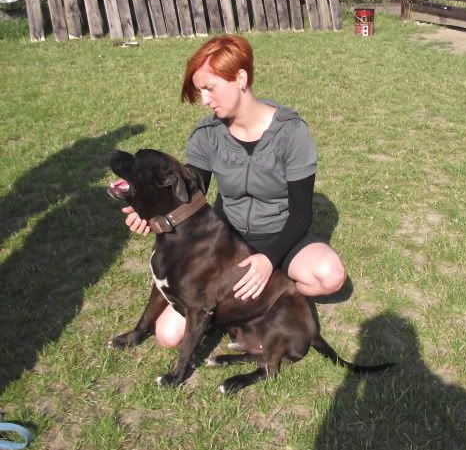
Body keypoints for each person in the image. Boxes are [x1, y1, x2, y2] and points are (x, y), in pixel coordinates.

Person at [122, 34, 346, 348]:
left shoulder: (291, 133)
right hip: (227, 242)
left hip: (280, 235)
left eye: (210, 88)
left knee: (329, 275)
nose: (204, 100)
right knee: (167, 336)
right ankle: (232, 304)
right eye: (200, 91)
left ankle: (275, 296)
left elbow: (300, 214)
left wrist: (268, 260)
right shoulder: (206, 135)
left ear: (240, 78)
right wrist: (148, 214)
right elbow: (190, 197)